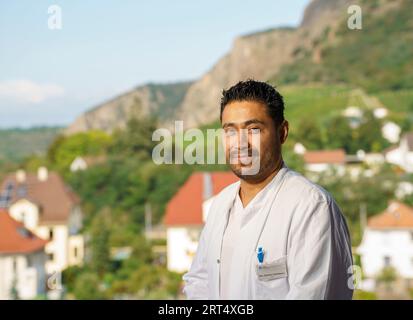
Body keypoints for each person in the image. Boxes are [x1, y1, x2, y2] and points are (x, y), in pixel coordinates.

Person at [182, 79, 353, 299]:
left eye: (253, 129)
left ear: (282, 132)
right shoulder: (221, 204)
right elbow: (199, 281)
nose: (240, 143)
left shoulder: (311, 207)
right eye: (230, 131)